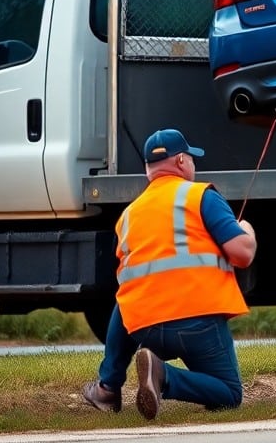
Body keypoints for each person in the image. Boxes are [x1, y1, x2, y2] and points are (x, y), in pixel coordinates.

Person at [82, 128, 257, 419]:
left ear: (148, 169)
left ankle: (107, 388)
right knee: (229, 393)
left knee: (126, 296)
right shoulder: (200, 196)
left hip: (146, 328)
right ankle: (163, 375)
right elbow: (243, 254)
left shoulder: (128, 216)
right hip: (197, 322)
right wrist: (247, 230)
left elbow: (127, 283)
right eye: (191, 158)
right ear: (180, 162)